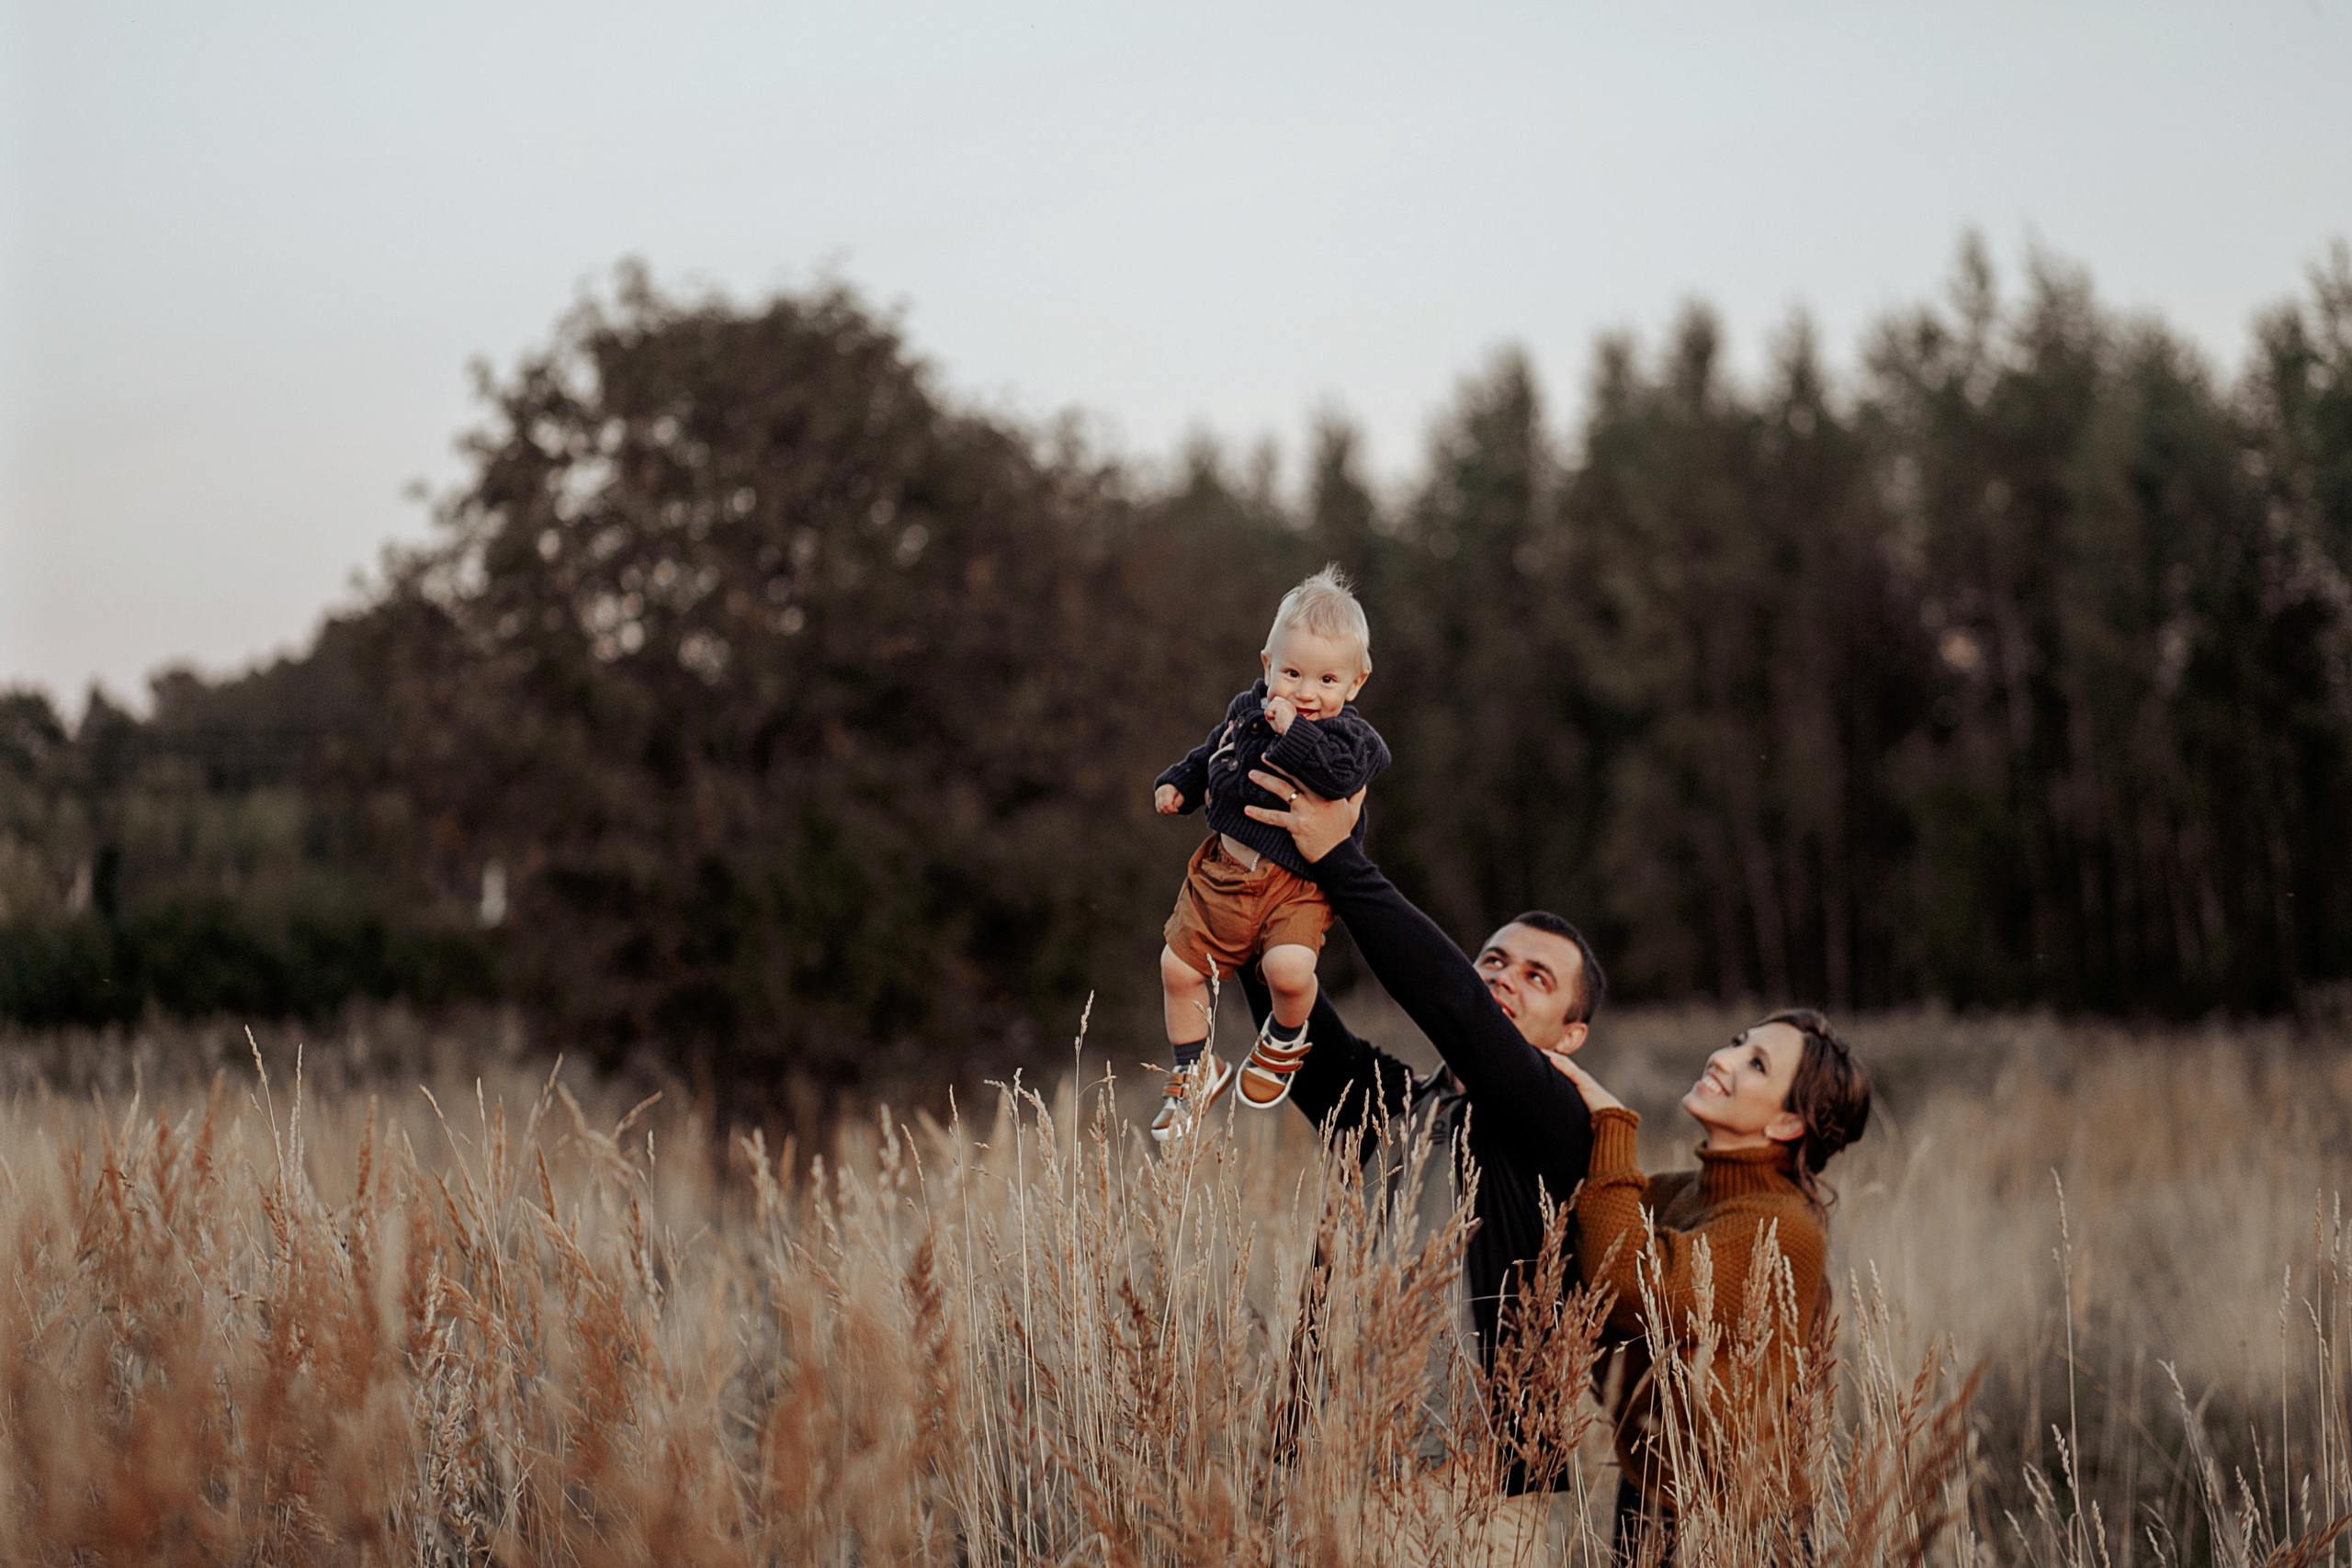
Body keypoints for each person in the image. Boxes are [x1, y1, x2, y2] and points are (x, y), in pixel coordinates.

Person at [1233, 769, 1603, 1546]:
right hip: (1334, 1469)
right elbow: (1285, 1004)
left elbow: (1452, 1004)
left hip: (1472, 1497)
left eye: (1536, 978)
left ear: (1571, 1035)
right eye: (1493, 960)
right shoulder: (1390, 1106)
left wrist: (1342, 858)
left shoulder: (1557, 1123)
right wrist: (1257, 853)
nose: (1502, 978)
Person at [1547, 1010, 1871, 1562]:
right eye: (1737, 1042)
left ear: (1786, 1124)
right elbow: (1588, 1243)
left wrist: (1612, 1125)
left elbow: (1627, 1287)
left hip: (1741, 1522)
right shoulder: (1684, 1192)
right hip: (1653, 1495)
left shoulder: (1781, 1225)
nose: (1723, 1058)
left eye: (1756, 1064)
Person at [1148, 566, 1392, 1141]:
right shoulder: (1247, 709)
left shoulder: (1351, 739)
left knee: (1288, 970)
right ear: (1267, 666)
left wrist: (1293, 734)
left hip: (1296, 886)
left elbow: (1337, 779)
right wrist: (1181, 783)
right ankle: (1195, 1069)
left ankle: (1285, 1037)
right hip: (1223, 873)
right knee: (1177, 968)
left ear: (1355, 683)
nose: (1306, 692)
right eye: (1292, 673)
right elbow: (1215, 749)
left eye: (1326, 679)